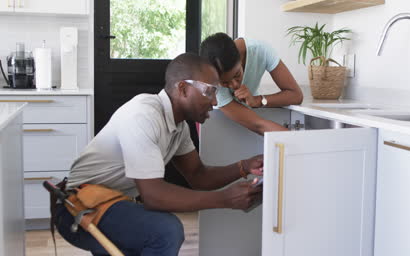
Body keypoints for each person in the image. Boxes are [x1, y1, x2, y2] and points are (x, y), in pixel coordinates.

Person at [54, 53, 264, 256]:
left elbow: (199, 176)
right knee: (166, 231)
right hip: (76, 206)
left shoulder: (178, 126)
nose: (215, 102)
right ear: (183, 88)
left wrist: (243, 166)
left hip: (111, 204)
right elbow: (153, 196)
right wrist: (224, 199)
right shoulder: (144, 114)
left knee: (153, 233)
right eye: (209, 92)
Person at [200, 32, 303, 135]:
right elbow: (258, 125)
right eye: (225, 83)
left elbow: (296, 95)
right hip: (220, 125)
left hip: (255, 119)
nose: (234, 85)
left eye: (237, 74)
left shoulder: (261, 50)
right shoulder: (213, 80)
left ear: (240, 58)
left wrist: (257, 100)